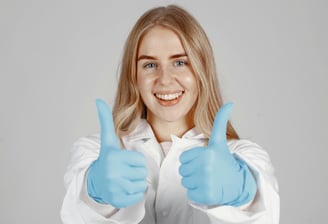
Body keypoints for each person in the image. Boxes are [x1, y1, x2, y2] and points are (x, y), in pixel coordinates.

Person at [61, 5, 280, 224]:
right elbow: (76, 214)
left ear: (201, 71)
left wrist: (241, 189)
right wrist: (95, 191)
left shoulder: (242, 157)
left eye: (180, 62)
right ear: (133, 76)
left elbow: (265, 213)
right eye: (149, 65)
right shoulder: (94, 153)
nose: (165, 79)